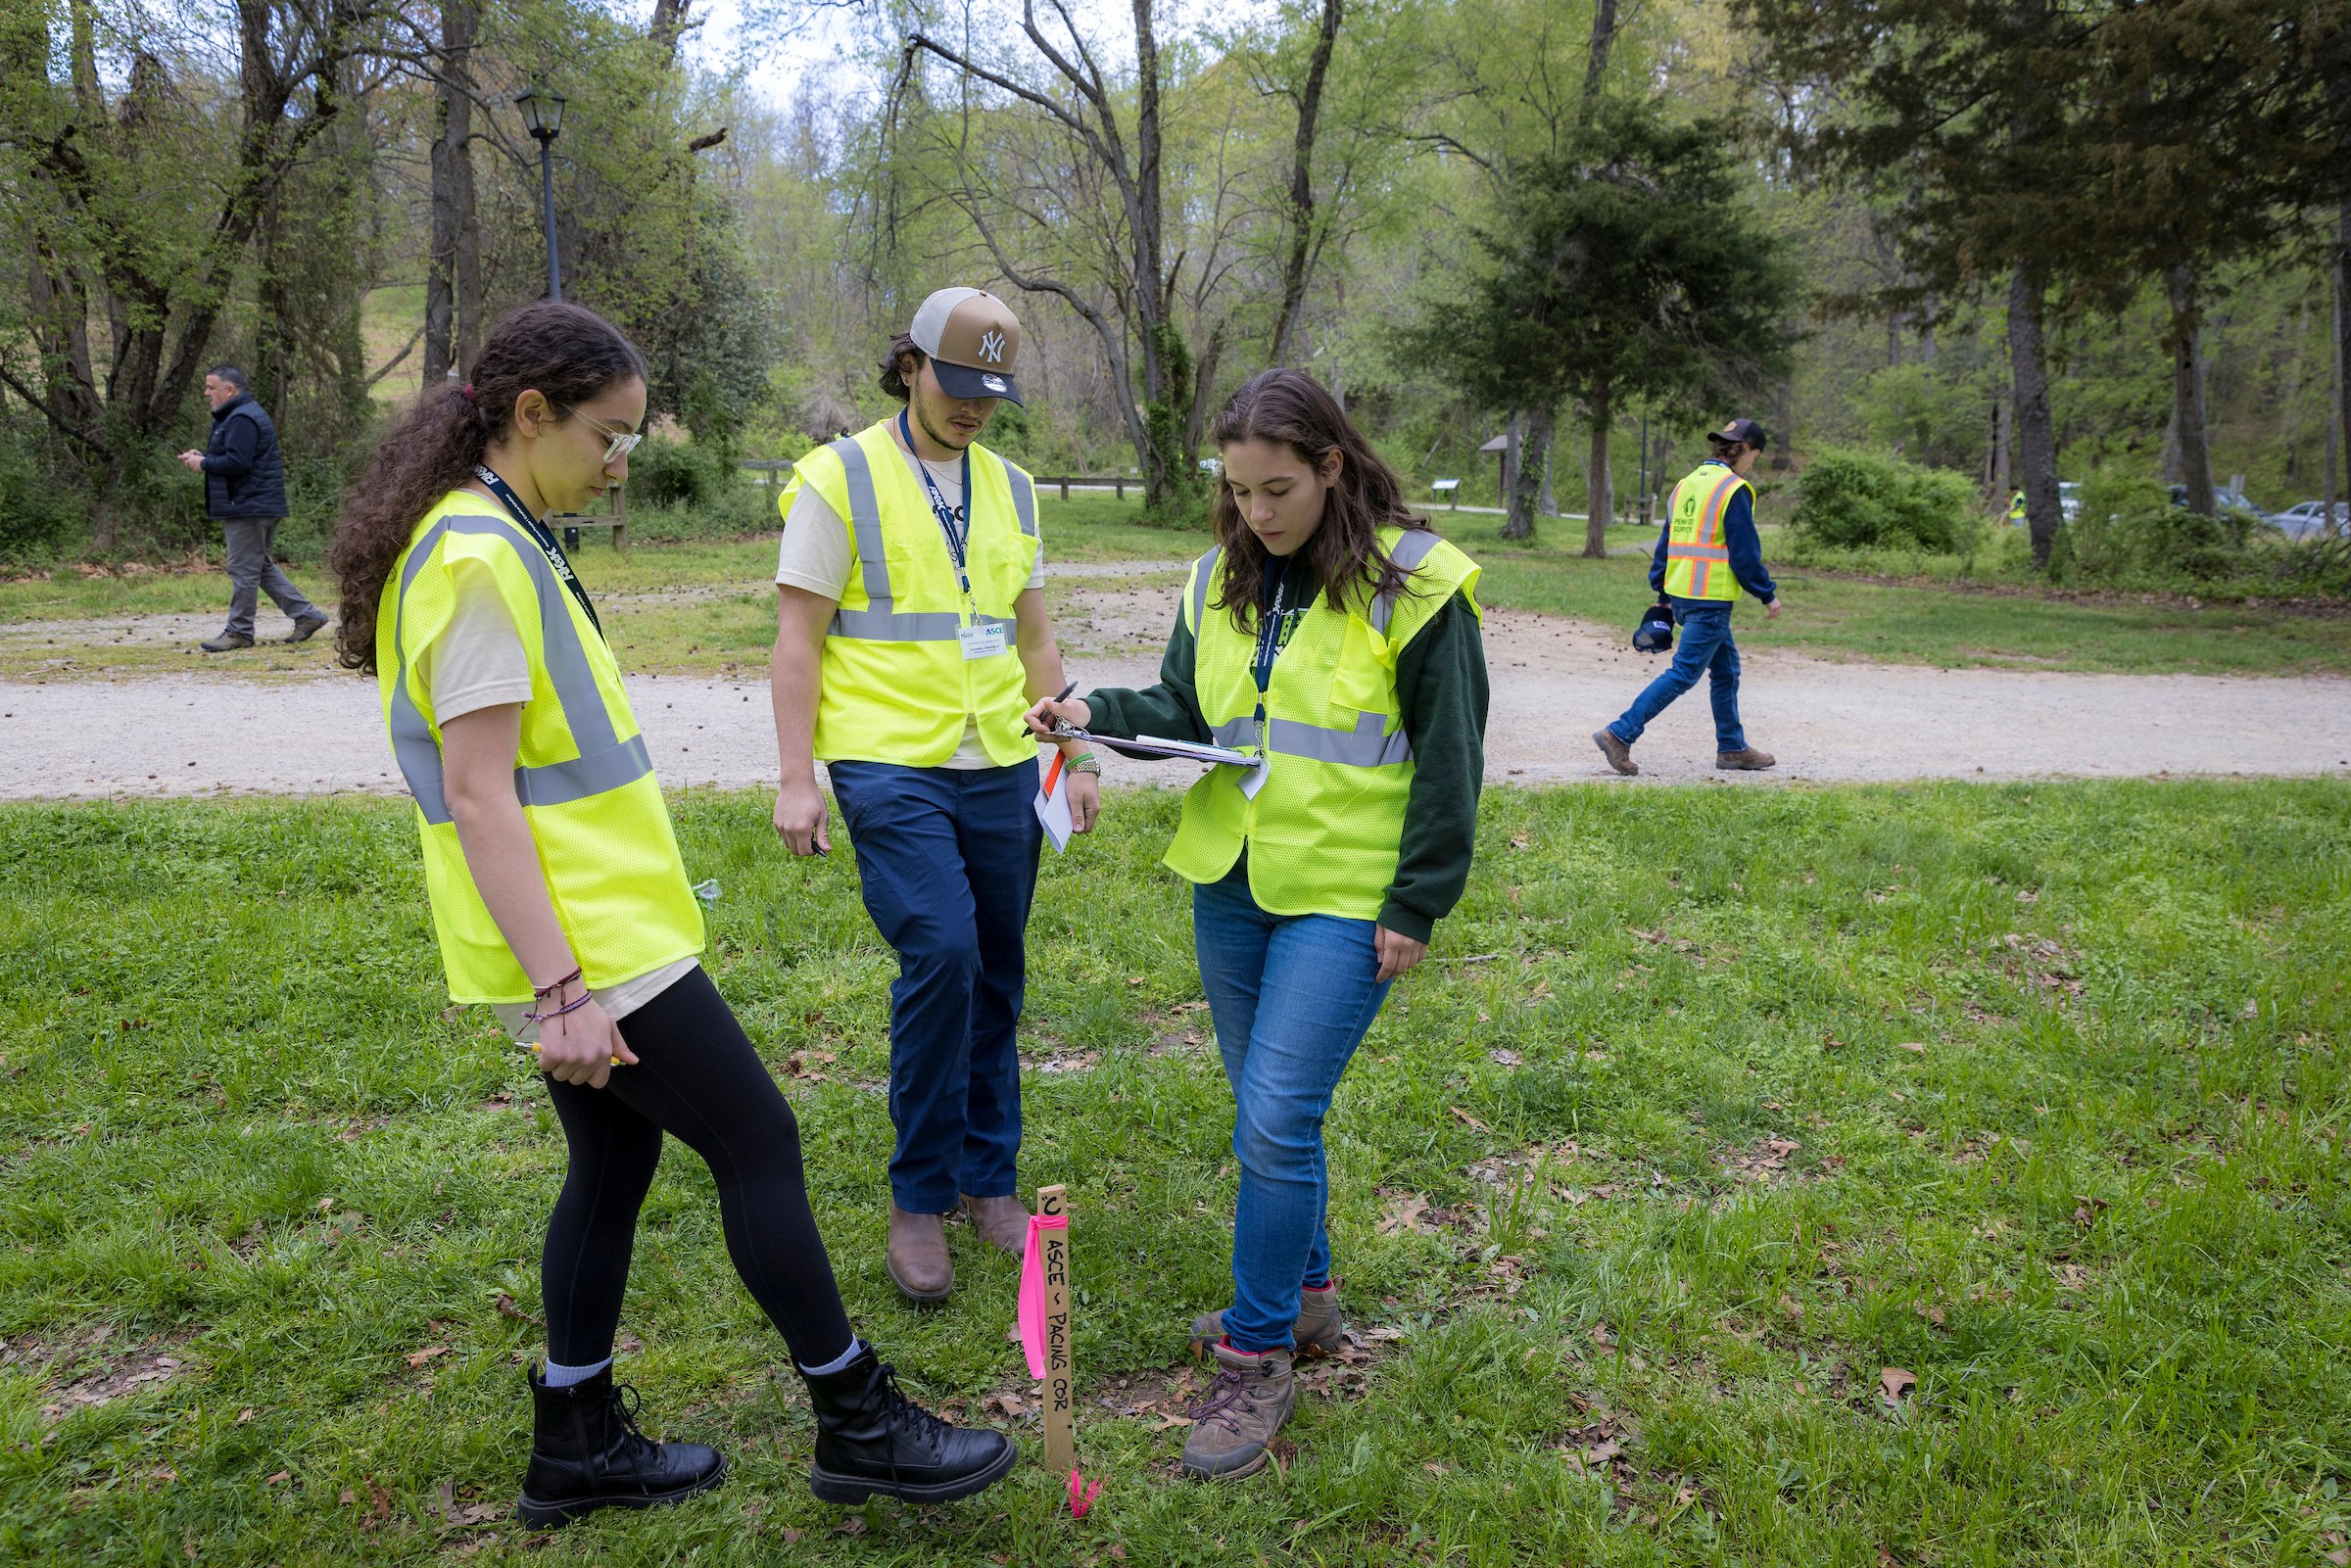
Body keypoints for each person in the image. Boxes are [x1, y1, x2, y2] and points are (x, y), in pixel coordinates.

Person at [326, 300, 1014, 1528]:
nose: (622, 460)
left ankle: (574, 1441)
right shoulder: (480, 557)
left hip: (592, 927)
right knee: (759, 1142)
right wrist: (562, 991)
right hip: (590, 945)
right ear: (529, 414)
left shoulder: (503, 531)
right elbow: (483, 798)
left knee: (614, 1156)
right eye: (609, 434)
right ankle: (860, 1418)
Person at [1024, 369, 1488, 1482]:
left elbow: (1451, 762)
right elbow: (1189, 715)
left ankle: (1260, 1347)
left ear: (1334, 466)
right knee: (1268, 1112)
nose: (1257, 513)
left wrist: (1416, 901)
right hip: (1228, 877)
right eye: (1238, 492)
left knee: (1277, 1117)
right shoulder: (1215, 577)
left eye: (1277, 489)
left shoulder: (1422, 587)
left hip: (1347, 890)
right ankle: (1312, 1295)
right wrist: (1092, 712)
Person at [769, 288, 1098, 1305]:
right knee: (943, 951)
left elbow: (1033, 633)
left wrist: (1075, 751)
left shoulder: (1014, 488)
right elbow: (797, 640)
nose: (972, 409)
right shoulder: (839, 477)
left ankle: (985, 1180)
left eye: (990, 393)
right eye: (956, 386)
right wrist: (796, 776)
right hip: (888, 760)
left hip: (1002, 758)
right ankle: (918, 1196)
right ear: (909, 364)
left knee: (997, 967)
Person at [1593, 417, 1783, 776]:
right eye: (1754, 456)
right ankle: (1620, 733)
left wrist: (1662, 593)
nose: (1752, 465)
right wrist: (1767, 594)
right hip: (1709, 599)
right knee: (1683, 673)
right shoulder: (1734, 489)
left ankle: (1732, 747)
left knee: (1726, 670)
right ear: (1744, 449)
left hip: (1682, 594)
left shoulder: (1686, 484)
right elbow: (1744, 554)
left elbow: (1667, 543)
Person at [178, 365, 327, 653]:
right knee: (257, 567)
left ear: (229, 390)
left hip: (248, 506)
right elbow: (239, 457)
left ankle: (239, 632)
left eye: (211, 387)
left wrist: (204, 464)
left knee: (243, 570)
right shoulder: (240, 415)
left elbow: (239, 463)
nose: (206, 393)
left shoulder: (242, 418)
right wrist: (206, 457)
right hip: (256, 503)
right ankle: (307, 615)